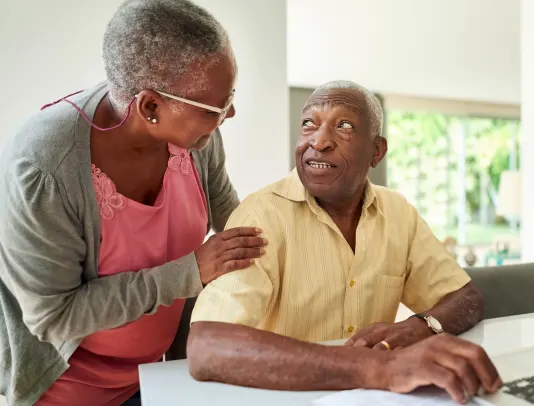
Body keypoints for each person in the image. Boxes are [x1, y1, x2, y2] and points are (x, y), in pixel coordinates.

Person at [0, 1, 266, 405]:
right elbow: (54, 317)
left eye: (230, 95)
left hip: (160, 376)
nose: (229, 112)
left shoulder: (196, 137)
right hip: (68, 390)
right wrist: (190, 271)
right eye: (217, 106)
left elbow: (230, 214)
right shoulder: (46, 168)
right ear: (150, 106)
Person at [187, 81, 503, 404]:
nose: (319, 141)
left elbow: (465, 297)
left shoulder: (398, 213)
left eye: (344, 126)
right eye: (309, 124)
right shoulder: (262, 215)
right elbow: (206, 346)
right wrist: (380, 368)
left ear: (377, 151)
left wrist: (419, 327)